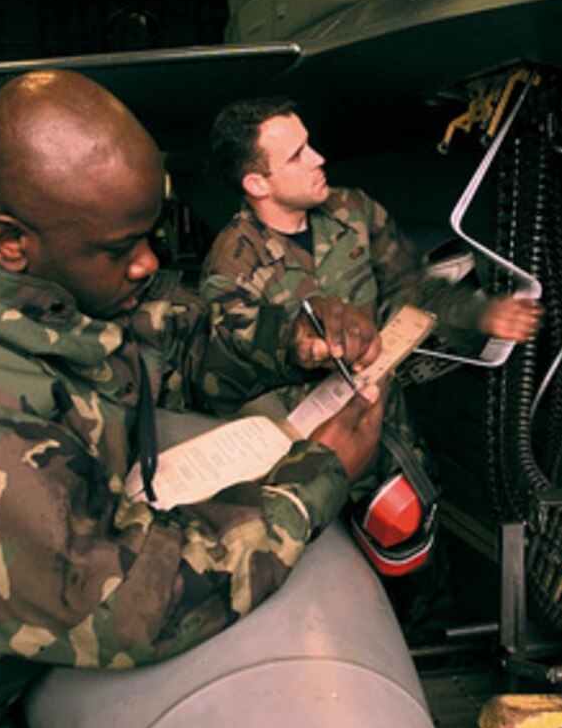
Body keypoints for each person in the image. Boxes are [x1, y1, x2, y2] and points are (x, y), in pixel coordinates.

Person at [0, 70, 385, 728]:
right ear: (12, 242)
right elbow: (116, 603)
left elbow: (141, 351)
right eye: (121, 249)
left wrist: (288, 336)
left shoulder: (2, 283)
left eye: (151, 235)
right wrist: (318, 474)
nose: (147, 264)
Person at [199, 98, 542, 607]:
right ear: (257, 184)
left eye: (310, 144)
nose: (318, 158)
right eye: (297, 155)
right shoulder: (231, 266)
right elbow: (218, 383)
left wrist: (480, 313)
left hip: (393, 439)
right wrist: (300, 354)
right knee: (332, 597)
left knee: (416, 564)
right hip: (309, 466)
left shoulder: (352, 211)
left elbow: (412, 288)